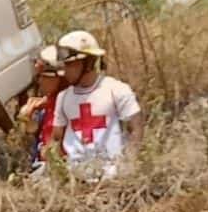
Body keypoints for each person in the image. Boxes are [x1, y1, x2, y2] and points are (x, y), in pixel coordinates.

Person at [48, 29, 142, 180]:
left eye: (70, 64)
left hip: (112, 177)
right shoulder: (63, 97)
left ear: (88, 62)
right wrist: (56, 171)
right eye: (64, 64)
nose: (65, 70)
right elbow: (55, 140)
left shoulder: (116, 90)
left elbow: (135, 128)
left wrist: (128, 165)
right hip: (76, 179)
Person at [17, 45, 67, 168]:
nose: (39, 81)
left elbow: (54, 153)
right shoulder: (47, 103)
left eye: (42, 76)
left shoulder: (68, 104)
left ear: (58, 76)